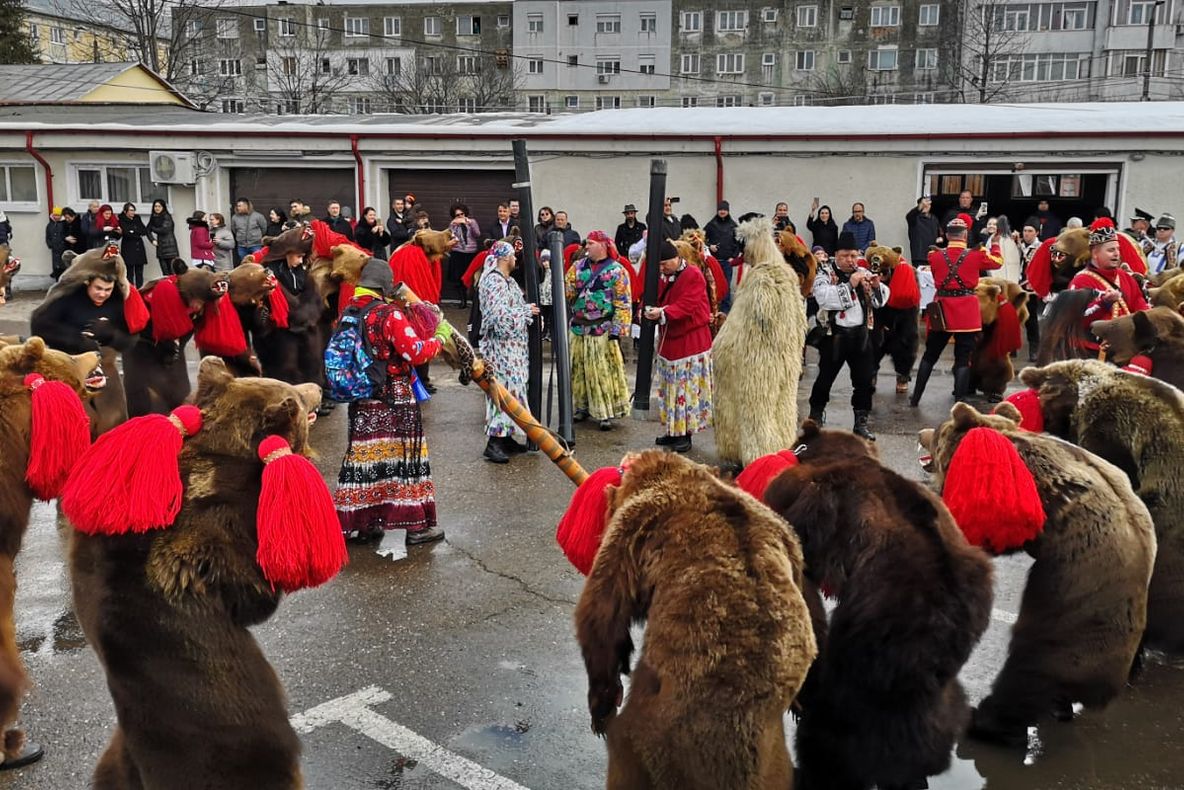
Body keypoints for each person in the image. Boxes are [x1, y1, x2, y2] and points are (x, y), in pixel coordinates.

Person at [333, 259, 450, 545]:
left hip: (362, 400)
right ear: (385, 286)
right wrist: (440, 338)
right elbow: (416, 353)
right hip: (395, 396)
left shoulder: (348, 313)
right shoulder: (388, 314)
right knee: (406, 459)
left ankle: (365, 525)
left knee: (367, 459)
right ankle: (416, 527)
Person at [909, 213, 1002, 406]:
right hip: (967, 311)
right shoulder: (977, 254)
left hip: (942, 309)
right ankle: (960, 401)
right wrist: (995, 243)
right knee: (963, 358)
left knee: (929, 356)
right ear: (965, 235)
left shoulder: (934, 255)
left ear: (947, 235)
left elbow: (935, 276)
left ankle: (916, 397)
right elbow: (997, 262)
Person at [30, 268, 132, 435]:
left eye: (108, 289)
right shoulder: (68, 298)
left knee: (113, 424)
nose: (102, 294)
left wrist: (112, 334)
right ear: (87, 283)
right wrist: (77, 340)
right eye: (98, 288)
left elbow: (129, 341)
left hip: (106, 372)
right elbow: (39, 326)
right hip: (70, 370)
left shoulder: (117, 301)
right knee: (76, 426)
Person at [808, 231, 889, 440]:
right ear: (836, 255)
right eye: (844, 256)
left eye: (853, 255)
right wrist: (851, 284)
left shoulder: (863, 271)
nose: (850, 260)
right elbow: (824, 298)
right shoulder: (825, 272)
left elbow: (880, 302)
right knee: (824, 380)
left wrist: (877, 286)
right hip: (834, 337)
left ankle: (860, 422)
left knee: (864, 382)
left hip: (861, 337)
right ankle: (815, 416)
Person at [643, 238, 713, 453]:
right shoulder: (663, 277)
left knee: (685, 389)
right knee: (670, 388)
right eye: (660, 265)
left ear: (676, 258)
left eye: (665, 264)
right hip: (670, 341)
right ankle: (673, 430)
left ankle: (686, 434)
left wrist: (663, 312)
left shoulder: (693, 274)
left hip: (690, 341)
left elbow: (687, 305)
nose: (662, 269)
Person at [478, 239, 539, 464]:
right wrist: (525, 312)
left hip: (513, 349)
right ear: (505, 257)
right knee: (500, 392)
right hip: (500, 349)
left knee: (514, 390)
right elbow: (500, 320)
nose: (516, 259)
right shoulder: (493, 282)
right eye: (513, 255)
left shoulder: (509, 282)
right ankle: (494, 441)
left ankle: (507, 437)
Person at [565, 230, 632, 430]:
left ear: (602, 246)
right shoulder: (577, 267)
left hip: (602, 328)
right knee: (578, 370)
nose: (586, 247)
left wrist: (618, 330)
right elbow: (566, 292)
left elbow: (623, 302)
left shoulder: (617, 271)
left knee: (601, 371)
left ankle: (605, 412)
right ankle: (582, 407)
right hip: (578, 327)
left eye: (591, 243)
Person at [1070, 219, 1149, 356]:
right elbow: (1077, 320)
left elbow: (1139, 305)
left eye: (1118, 249)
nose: (1117, 254)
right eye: (1111, 250)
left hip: (1126, 349)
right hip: (1092, 352)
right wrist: (1104, 303)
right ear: (1095, 253)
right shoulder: (1080, 280)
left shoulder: (1126, 277)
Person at [1017, 219, 1042, 360]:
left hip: (1030, 286)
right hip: (1016, 285)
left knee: (1030, 318)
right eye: (1025, 231)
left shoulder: (1041, 247)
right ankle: (1012, 348)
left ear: (1037, 232)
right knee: (1013, 317)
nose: (1026, 234)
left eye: (1030, 231)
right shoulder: (1017, 245)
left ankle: (1034, 349)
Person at [118, 202, 149, 287]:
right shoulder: (121, 220)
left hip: (139, 247)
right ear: (125, 211)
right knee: (129, 272)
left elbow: (143, 231)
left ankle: (140, 290)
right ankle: (131, 291)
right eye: (131, 210)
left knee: (139, 272)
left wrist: (134, 231)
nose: (133, 213)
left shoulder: (137, 218)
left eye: (134, 210)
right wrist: (135, 232)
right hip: (128, 248)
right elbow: (127, 233)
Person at [146, 199, 179, 277]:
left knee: (172, 272)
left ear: (163, 207)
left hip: (170, 248)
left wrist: (153, 228)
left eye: (159, 206)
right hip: (160, 247)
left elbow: (164, 230)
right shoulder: (153, 217)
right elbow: (147, 230)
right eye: (155, 206)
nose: (157, 208)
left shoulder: (167, 216)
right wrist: (152, 240)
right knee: (164, 273)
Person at [905, 196, 941, 264]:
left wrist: (940, 238)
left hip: (932, 255)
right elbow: (909, 216)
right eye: (923, 204)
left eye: (928, 204)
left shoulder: (934, 219)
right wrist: (920, 206)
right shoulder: (915, 218)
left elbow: (940, 233)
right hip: (919, 257)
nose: (926, 206)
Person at [45, 206, 68, 280]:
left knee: (63, 266)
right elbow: (48, 236)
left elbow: (65, 235)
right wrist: (50, 244)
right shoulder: (50, 225)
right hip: (54, 249)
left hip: (63, 248)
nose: (56, 217)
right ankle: (57, 280)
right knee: (56, 267)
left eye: (58, 215)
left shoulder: (64, 224)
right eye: (55, 215)